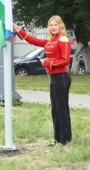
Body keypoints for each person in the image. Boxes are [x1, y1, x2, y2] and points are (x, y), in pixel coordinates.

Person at [14, 15, 72, 146]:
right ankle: (57, 138)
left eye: (55, 25)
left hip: (62, 77)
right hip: (54, 78)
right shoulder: (50, 40)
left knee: (62, 109)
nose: (53, 27)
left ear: (61, 26)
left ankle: (65, 139)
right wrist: (19, 31)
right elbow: (34, 40)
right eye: (51, 25)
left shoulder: (63, 40)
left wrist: (47, 62)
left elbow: (65, 60)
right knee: (55, 109)